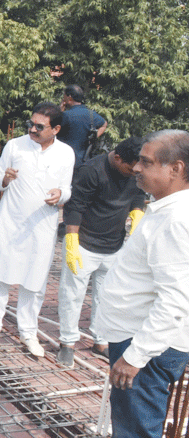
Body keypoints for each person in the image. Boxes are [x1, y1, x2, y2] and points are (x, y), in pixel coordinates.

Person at [77, 130, 189, 438]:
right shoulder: (166, 209)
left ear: (175, 169)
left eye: (146, 162)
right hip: (139, 338)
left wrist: (136, 356)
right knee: (126, 427)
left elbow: (176, 300)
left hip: (147, 346)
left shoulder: (176, 221)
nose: (136, 168)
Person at [0, 102, 74, 357]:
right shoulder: (15, 145)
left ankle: (28, 332)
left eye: (39, 127)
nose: (32, 129)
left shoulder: (66, 153)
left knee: (34, 281)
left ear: (56, 129)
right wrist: (5, 178)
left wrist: (60, 194)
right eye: (31, 124)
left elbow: (67, 189)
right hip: (10, 220)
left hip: (42, 225)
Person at [56, 138, 146, 367]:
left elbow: (138, 194)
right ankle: (67, 342)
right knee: (72, 294)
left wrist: (137, 212)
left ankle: (101, 340)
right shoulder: (92, 170)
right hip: (84, 243)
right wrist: (72, 241)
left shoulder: (136, 171)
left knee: (106, 296)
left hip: (114, 244)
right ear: (118, 158)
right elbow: (75, 206)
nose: (135, 172)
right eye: (131, 168)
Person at [57, 84, 107, 166]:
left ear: (69, 97)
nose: (63, 98)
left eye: (64, 95)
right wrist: (94, 137)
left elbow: (53, 128)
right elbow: (104, 124)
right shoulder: (91, 114)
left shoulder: (65, 115)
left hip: (64, 160)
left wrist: (60, 111)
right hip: (84, 161)